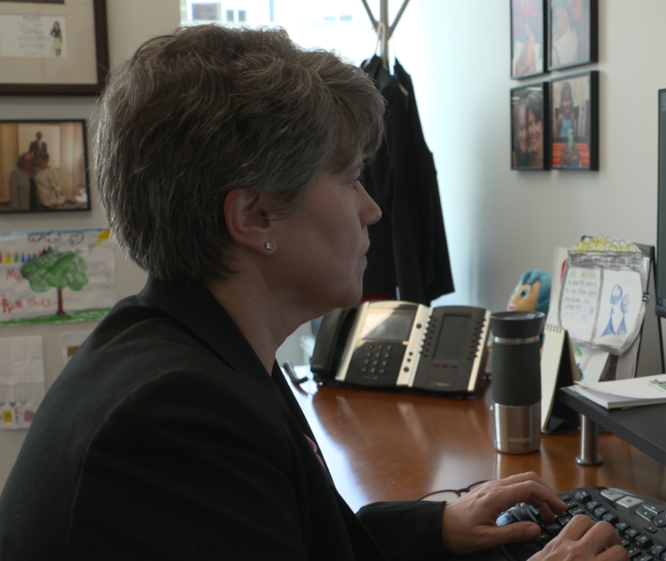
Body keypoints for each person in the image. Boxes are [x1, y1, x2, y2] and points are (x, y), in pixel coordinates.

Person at [0, 25, 625, 561]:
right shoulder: (173, 423)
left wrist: (436, 524)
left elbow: (292, 532)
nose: (373, 210)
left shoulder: (190, 350)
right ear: (256, 217)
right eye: (350, 180)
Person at [526, 89, 546, 168]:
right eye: (530, 123)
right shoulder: (525, 160)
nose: (533, 131)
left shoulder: (551, 158)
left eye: (537, 122)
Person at [512, 99, 529, 167]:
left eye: (527, 127)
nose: (525, 135)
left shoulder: (529, 155)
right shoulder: (513, 157)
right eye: (521, 128)